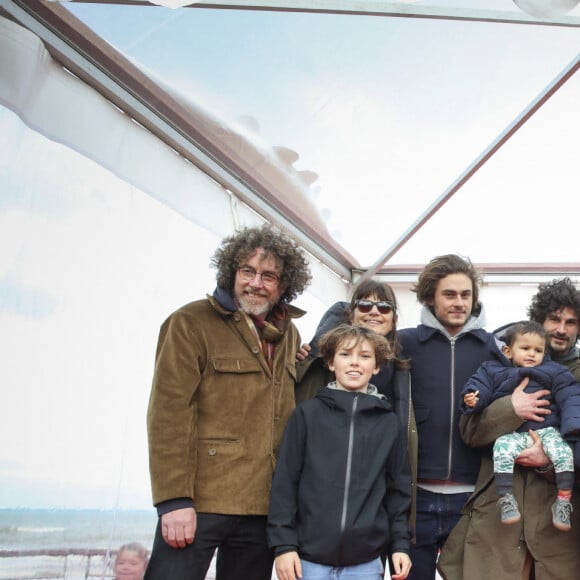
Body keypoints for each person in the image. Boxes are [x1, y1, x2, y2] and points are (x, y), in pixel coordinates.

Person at [144, 224, 311, 580]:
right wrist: (173, 501)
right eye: (247, 271)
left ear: (284, 285)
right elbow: (168, 414)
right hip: (200, 501)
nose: (256, 283)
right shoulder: (190, 323)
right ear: (231, 272)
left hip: (262, 505)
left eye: (269, 276)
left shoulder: (287, 333)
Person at [438, 277, 580, 580]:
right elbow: (468, 431)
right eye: (554, 319)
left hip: (559, 532)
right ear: (538, 321)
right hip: (497, 521)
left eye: (571, 322)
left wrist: (548, 461)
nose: (561, 329)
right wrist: (511, 409)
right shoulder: (499, 365)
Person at [267, 324, 413, 580]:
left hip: (365, 564)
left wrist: (400, 545)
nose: (355, 363)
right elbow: (284, 484)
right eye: (345, 354)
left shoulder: (388, 423)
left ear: (376, 367)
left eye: (365, 356)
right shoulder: (307, 414)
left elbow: (398, 491)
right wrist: (284, 545)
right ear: (331, 363)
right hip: (307, 561)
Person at [397, 254, 496, 580]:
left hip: (472, 499)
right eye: (449, 294)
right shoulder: (405, 343)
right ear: (430, 296)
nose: (459, 302)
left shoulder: (493, 348)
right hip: (416, 499)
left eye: (465, 295)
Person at [294, 279, 417, 530]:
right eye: (364, 305)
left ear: (393, 318)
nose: (374, 311)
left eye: (384, 307)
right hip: (323, 488)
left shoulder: (402, 366)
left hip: (377, 486)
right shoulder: (319, 360)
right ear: (351, 313)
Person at [461, 321, 580, 531]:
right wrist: (473, 399)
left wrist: (573, 426)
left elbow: (570, 395)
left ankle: (563, 502)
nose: (532, 354)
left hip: (547, 431)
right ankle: (506, 499)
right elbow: (479, 386)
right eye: (525, 349)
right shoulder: (492, 369)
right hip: (513, 434)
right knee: (501, 449)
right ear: (508, 351)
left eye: (538, 350)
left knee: (564, 454)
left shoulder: (554, 371)